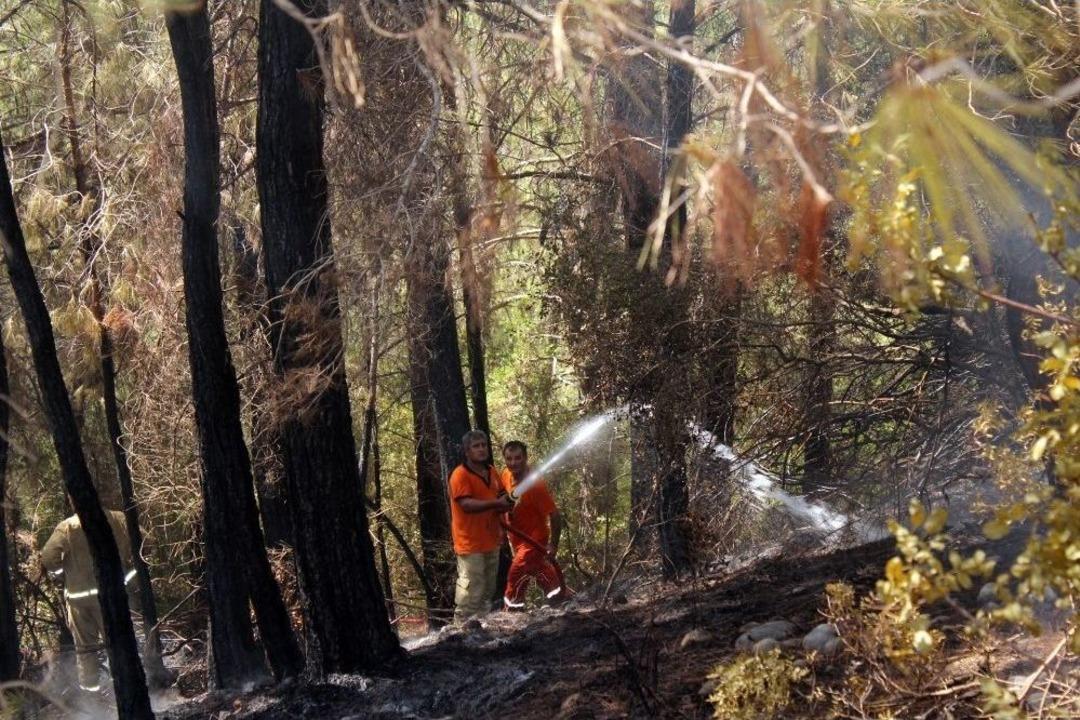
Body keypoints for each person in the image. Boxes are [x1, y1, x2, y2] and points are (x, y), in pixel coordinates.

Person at [40, 503, 136, 693]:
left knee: (85, 650)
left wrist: (65, 574)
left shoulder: (68, 526)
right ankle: (128, 689)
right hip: (112, 596)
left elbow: (49, 558)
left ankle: (93, 695)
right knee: (119, 642)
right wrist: (128, 576)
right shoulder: (119, 519)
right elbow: (143, 542)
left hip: (79, 600)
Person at [449, 429, 514, 623]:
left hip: (491, 541)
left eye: (484, 445)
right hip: (470, 544)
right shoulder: (460, 475)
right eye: (476, 446)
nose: (481, 449)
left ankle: (481, 630)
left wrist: (507, 502)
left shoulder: (492, 471)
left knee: (487, 590)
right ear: (467, 452)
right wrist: (496, 504)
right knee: (470, 593)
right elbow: (466, 505)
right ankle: (460, 632)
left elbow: (501, 494)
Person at [500, 440, 564, 609]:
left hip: (535, 539)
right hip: (518, 539)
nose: (513, 463)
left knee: (516, 572)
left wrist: (553, 545)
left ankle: (512, 609)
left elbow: (555, 515)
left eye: (518, 458)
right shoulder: (505, 474)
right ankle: (560, 596)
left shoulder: (535, 484)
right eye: (509, 458)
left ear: (526, 458)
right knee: (537, 568)